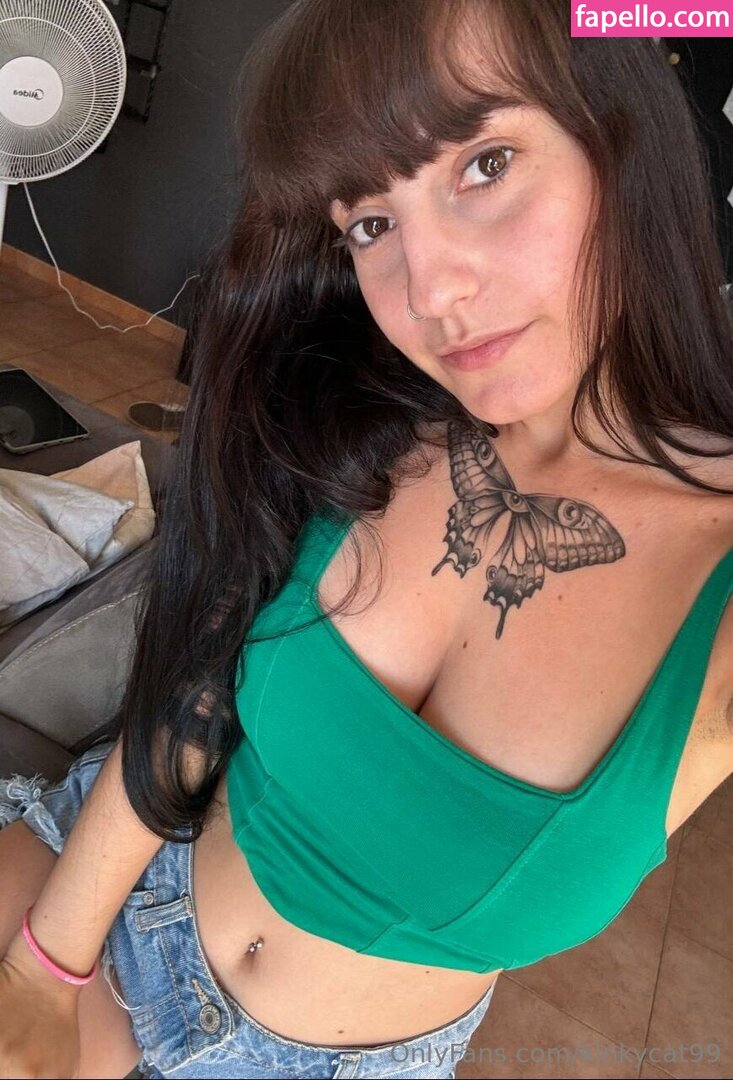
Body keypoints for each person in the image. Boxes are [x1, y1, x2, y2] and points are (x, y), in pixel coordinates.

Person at [1, 0, 732, 1077]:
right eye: (369, 226)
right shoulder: (360, 417)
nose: (430, 292)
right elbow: (196, 691)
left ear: (621, 140)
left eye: (485, 164)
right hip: (109, 881)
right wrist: (44, 968)